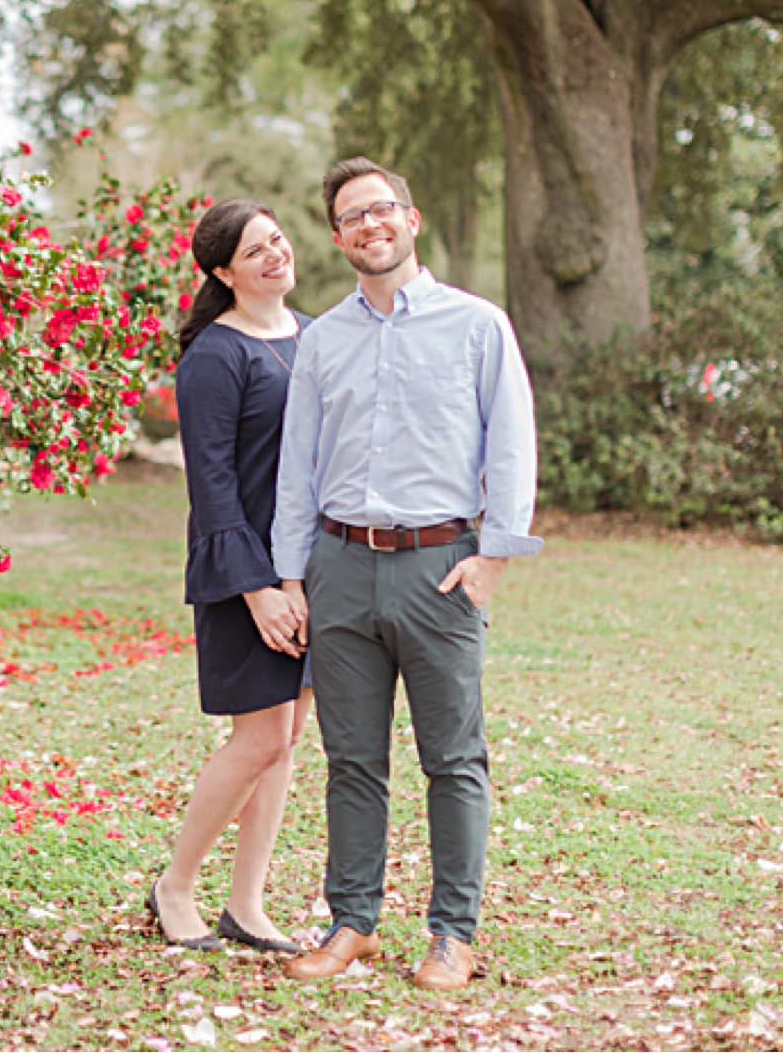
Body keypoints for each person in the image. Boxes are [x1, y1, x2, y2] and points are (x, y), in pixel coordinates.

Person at [272, 157, 542, 992]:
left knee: (453, 759)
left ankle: (453, 934)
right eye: (352, 216)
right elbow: (297, 466)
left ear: (411, 220)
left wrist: (495, 555)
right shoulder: (322, 339)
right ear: (338, 236)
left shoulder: (476, 324)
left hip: (441, 568)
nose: (369, 225)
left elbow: (512, 441)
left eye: (381, 209)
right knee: (352, 760)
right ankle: (351, 923)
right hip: (341, 567)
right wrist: (291, 576)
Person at [146, 199, 315, 956]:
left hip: (306, 572)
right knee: (257, 740)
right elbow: (211, 486)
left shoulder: (311, 333)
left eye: (276, 241)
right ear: (222, 272)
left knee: (285, 739)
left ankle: (247, 905)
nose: (274, 256)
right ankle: (174, 887)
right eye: (254, 251)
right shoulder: (216, 356)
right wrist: (259, 590)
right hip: (245, 575)